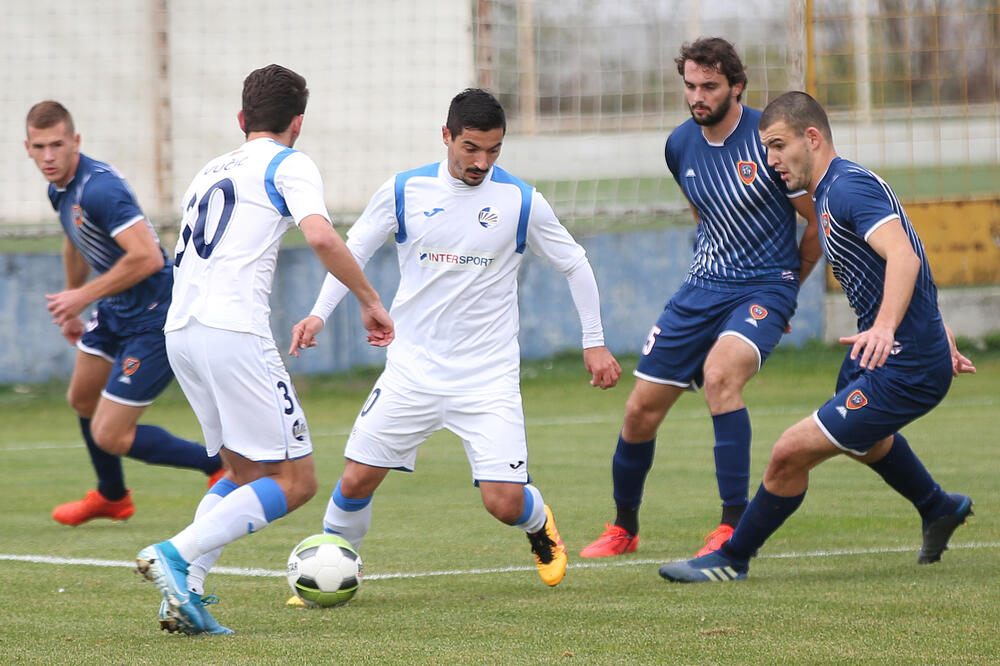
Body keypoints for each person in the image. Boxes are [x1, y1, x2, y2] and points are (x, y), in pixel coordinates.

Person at [288, 88, 621, 591]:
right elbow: (351, 251)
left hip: (487, 379)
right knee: (355, 480)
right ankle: (328, 569)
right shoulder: (404, 190)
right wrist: (317, 314)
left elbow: (574, 262)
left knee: (503, 502)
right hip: (412, 371)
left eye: (493, 150)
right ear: (446, 136)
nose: (481, 161)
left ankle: (538, 525)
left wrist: (593, 340)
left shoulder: (520, 201)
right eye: (470, 147)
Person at [659, 90, 975, 583]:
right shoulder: (830, 190)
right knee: (864, 441)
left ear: (812, 138)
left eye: (778, 146)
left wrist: (897, 328)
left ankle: (732, 558)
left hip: (906, 365)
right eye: (766, 149)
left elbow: (905, 257)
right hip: (887, 353)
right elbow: (909, 250)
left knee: (789, 451)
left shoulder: (848, 189)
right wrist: (937, 327)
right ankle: (938, 507)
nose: (771, 160)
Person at [135, 64, 394, 634]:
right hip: (233, 332)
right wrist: (371, 299)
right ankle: (174, 555)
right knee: (296, 482)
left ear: (241, 118)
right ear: (297, 123)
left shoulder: (206, 171)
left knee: (245, 470)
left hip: (181, 332)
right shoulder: (289, 161)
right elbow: (322, 235)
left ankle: (187, 594)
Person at [580, 38, 821, 560]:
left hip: (764, 285)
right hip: (701, 288)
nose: (697, 95)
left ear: (736, 86)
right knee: (640, 411)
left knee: (720, 377)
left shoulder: (768, 140)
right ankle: (624, 528)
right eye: (690, 85)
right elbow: (701, 210)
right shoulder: (678, 145)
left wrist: (788, 289)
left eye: (709, 86)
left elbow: (818, 220)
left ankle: (732, 525)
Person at [24, 101, 224, 527]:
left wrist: (82, 299)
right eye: (39, 147)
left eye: (57, 145)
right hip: (117, 308)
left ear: (75, 141)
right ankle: (112, 497)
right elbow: (74, 237)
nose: (48, 156)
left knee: (110, 434)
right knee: (81, 398)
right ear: (27, 147)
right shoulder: (59, 188)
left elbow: (148, 257)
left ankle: (219, 464)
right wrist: (74, 299)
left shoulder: (98, 189)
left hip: (155, 312)